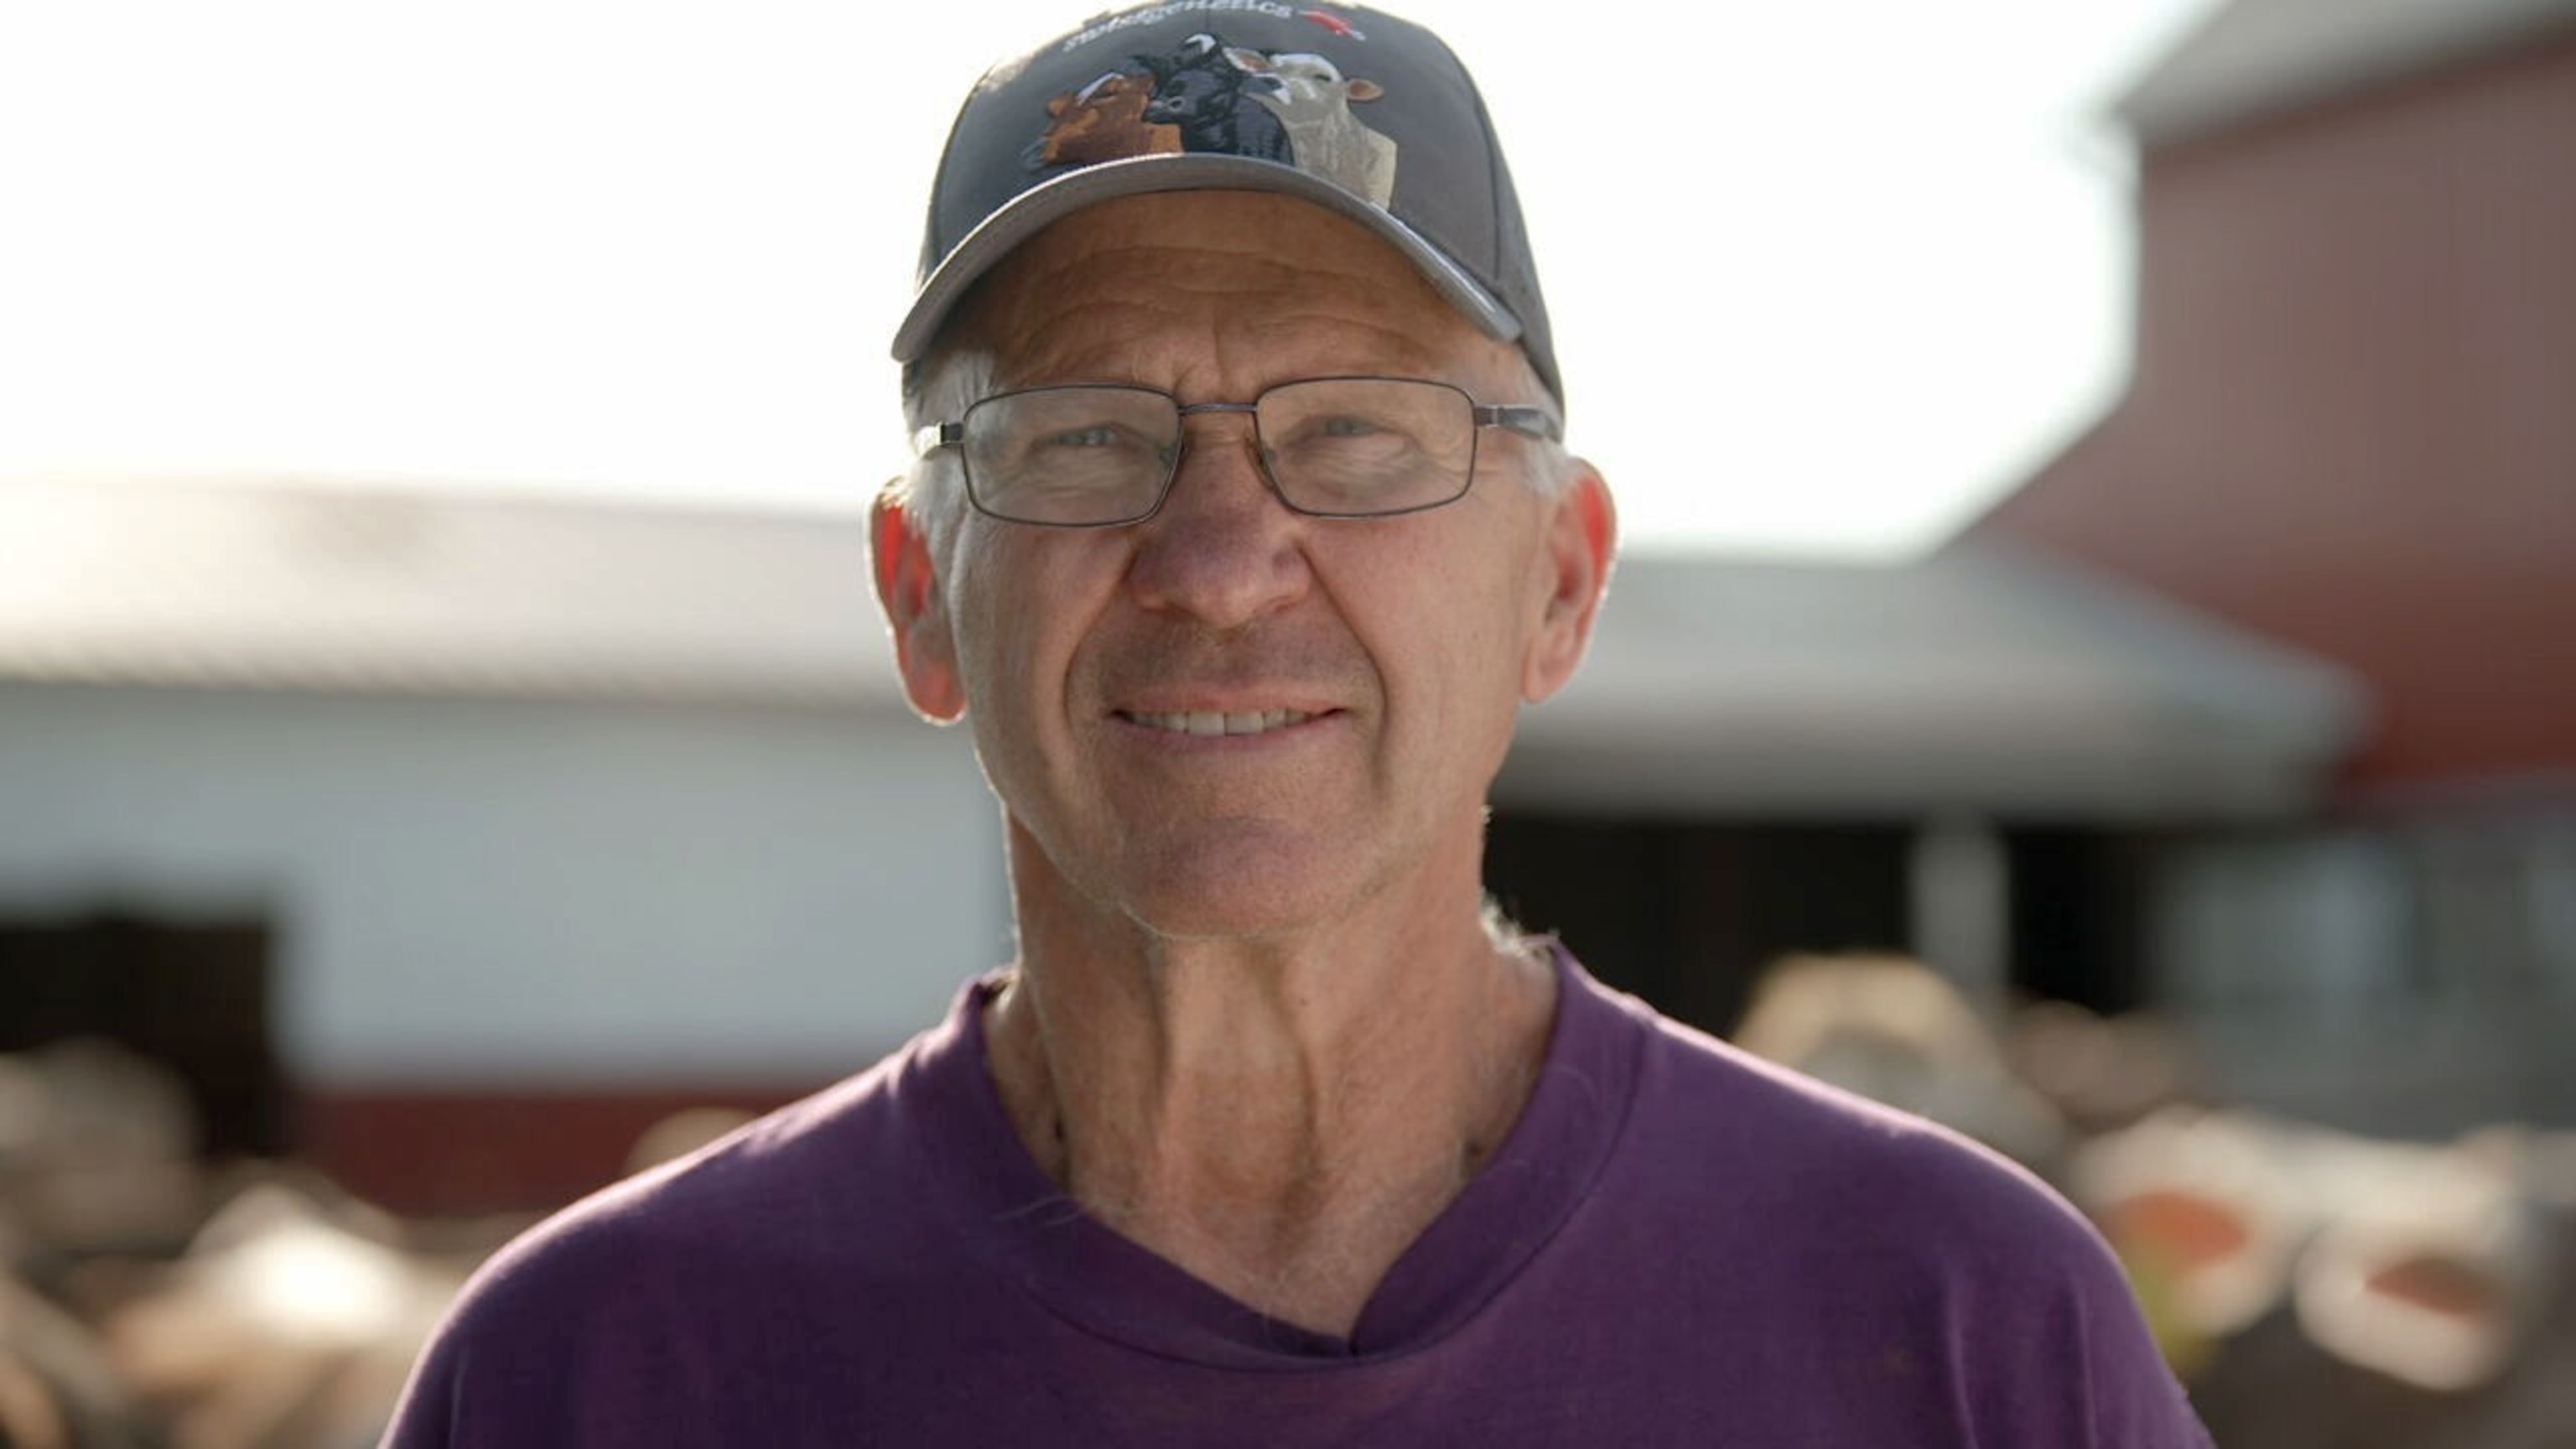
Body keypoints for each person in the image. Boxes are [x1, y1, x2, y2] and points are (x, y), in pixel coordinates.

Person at [383, 4, 2213, 1443]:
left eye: (1357, 435)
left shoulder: (1966, 1330)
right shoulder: (596, 1377)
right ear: (920, 596)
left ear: (1560, 585)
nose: (1221, 560)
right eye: (1086, 435)